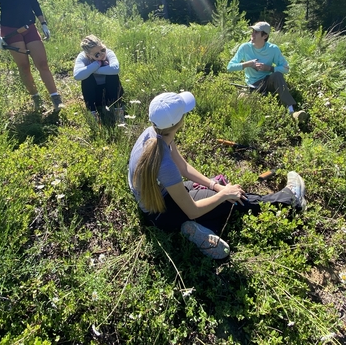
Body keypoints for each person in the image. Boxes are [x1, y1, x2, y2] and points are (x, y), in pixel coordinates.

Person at [128, 91, 307, 259]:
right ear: (179, 122)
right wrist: (224, 194)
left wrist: (214, 186)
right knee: (233, 200)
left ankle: (199, 228)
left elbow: (183, 167)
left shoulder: (153, 134)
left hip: (157, 206)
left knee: (216, 194)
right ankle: (290, 199)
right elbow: (192, 210)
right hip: (164, 213)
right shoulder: (165, 164)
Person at [227, 21, 308, 121]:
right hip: (252, 86)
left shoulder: (273, 49)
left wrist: (269, 68)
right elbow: (229, 67)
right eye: (253, 31)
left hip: (268, 82)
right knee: (242, 100)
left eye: (256, 32)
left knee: (277, 75)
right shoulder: (245, 47)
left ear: (265, 36)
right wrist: (248, 64)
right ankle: (261, 116)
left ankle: (292, 112)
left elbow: (286, 68)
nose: (252, 34)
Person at [73, 35, 125, 123]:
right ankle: (92, 114)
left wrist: (93, 70)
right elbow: (77, 75)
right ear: (88, 54)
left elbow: (115, 69)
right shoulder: (82, 57)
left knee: (112, 75)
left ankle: (118, 111)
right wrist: (97, 64)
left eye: (102, 50)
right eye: (97, 54)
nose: (102, 54)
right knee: (86, 78)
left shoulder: (109, 52)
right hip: (95, 95)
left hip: (111, 92)